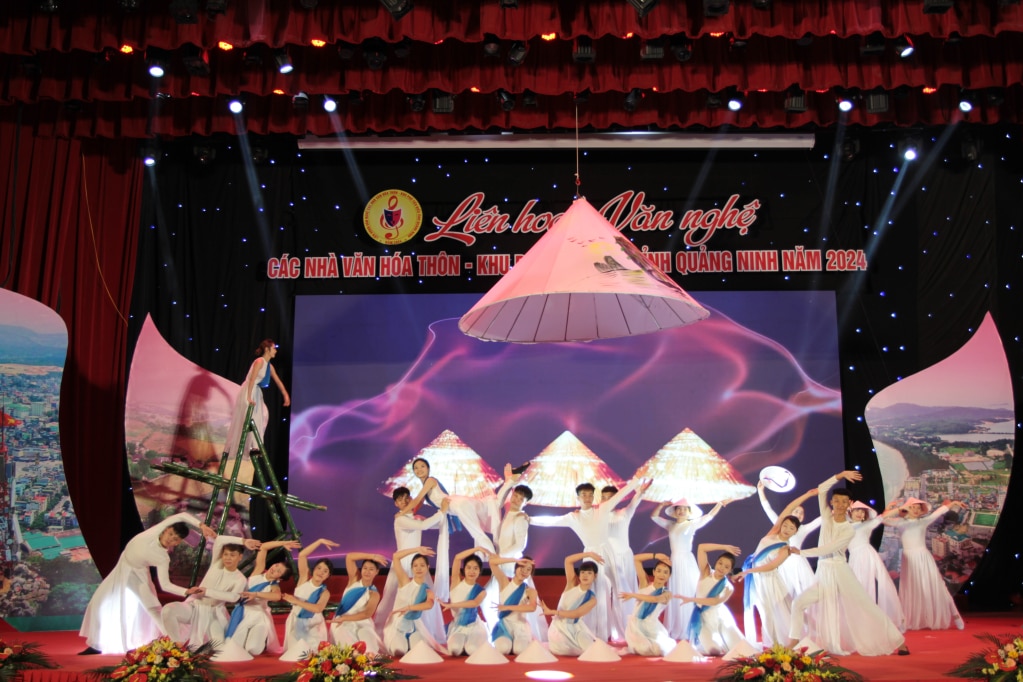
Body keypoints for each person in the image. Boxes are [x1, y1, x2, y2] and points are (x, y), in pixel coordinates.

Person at [786, 472, 908, 656]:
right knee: (798, 603)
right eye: (837, 501)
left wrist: (801, 552)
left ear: (849, 504)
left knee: (865, 604)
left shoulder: (848, 529)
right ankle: (792, 643)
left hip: (840, 570)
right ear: (832, 502)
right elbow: (822, 489)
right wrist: (839, 475)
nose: (841, 504)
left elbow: (830, 547)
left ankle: (898, 641)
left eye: (844, 502)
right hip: (823, 570)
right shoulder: (826, 517)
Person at [79, 513, 214, 655]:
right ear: (166, 530)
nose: (170, 539)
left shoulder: (163, 558)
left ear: (177, 543)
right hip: (122, 568)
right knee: (98, 603)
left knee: (154, 610)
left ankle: (177, 643)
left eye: (175, 539)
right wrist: (201, 525)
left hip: (139, 575)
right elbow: (180, 516)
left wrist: (186, 592)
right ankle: (96, 644)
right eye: (170, 534)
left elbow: (165, 585)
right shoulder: (155, 531)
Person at [531, 479, 639, 641]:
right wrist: (529, 519)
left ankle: (628, 630)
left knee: (620, 588)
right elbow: (551, 521)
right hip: (590, 554)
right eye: (583, 495)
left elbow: (620, 496)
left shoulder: (601, 510)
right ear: (578, 498)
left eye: (590, 495)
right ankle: (597, 634)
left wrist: (636, 481)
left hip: (606, 552)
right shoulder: (573, 517)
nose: (587, 498)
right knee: (596, 592)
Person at [650, 496, 732, 639]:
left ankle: (691, 625)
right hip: (675, 561)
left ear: (689, 512)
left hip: (687, 561)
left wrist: (719, 504)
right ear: (674, 512)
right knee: (676, 592)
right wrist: (662, 504)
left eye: (684, 509)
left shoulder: (692, 524)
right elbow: (654, 516)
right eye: (679, 509)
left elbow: (709, 516)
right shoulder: (671, 525)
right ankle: (678, 626)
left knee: (690, 590)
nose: (681, 511)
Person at [375, 486, 446, 643]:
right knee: (392, 597)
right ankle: (383, 632)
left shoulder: (416, 518)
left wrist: (444, 512)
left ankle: (427, 633)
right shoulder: (400, 519)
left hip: (418, 564)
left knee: (424, 597)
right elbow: (423, 526)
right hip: (402, 561)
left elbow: (432, 524)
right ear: (396, 504)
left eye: (407, 497)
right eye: (400, 499)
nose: (404, 501)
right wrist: (441, 512)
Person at [883, 497, 966, 631]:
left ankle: (956, 617)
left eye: (918, 508)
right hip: (909, 559)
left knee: (938, 586)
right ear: (907, 509)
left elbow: (938, 512)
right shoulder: (900, 522)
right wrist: (894, 509)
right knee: (910, 587)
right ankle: (906, 621)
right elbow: (883, 520)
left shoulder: (923, 521)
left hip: (923, 557)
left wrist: (954, 503)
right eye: (913, 507)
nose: (916, 510)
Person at [162, 534, 262, 645]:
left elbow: (234, 597)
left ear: (240, 557)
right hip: (194, 606)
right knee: (168, 610)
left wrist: (208, 591)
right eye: (226, 554)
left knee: (218, 647)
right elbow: (219, 539)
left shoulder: (240, 579)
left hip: (213, 613)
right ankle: (176, 644)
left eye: (232, 555)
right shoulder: (217, 564)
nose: (228, 558)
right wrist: (243, 541)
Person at [396, 457, 497, 554]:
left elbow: (417, 500)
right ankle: (493, 558)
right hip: (454, 506)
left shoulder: (430, 481)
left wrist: (401, 514)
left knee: (477, 534)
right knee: (477, 534)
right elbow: (419, 503)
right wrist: (409, 515)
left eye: (422, 466)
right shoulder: (425, 487)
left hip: (457, 505)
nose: (419, 469)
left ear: (428, 468)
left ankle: (494, 558)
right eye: (416, 468)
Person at [227, 539, 299, 656]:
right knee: (235, 646)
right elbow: (264, 547)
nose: (274, 569)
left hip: (259, 617)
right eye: (276, 566)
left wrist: (256, 594)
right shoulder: (258, 571)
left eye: (278, 571)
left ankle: (261, 640)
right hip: (243, 613)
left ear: (279, 578)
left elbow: (276, 596)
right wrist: (282, 544)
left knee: (253, 649)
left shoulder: (274, 586)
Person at [739, 513, 800, 647]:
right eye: (785, 525)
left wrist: (748, 571)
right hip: (757, 579)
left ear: (795, 532)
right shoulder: (771, 535)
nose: (786, 529)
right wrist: (807, 494)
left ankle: (783, 643)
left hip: (769, 580)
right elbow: (786, 510)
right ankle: (773, 643)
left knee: (778, 612)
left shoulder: (785, 548)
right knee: (765, 612)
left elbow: (771, 566)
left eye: (791, 528)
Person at [222, 339, 290, 459]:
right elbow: (252, 379)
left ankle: (255, 447)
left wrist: (285, 394)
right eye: (274, 348)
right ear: (267, 349)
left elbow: (278, 381)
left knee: (262, 416)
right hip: (249, 389)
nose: (275, 350)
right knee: (251, 417)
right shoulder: (259, 361)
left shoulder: (269, 366)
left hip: (257, 392)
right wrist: (248, 396)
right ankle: (244, 447)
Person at [678, 543, 746, 657]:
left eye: (726, 566)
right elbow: (701, 548)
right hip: (702, 619)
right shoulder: (706, 573)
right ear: (716, 562)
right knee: (714, 650)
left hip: (719, 618)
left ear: (730, 570)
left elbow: (715, 601)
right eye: (720, 563)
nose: (721, 567)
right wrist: (724, 547)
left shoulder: (728, 587)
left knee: (740, 648)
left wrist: (691, 599)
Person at [847, 501, 905, 631]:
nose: (859, 513)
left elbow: (882, 517)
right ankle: (860, 620)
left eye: (862, 512)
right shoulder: (844, 526)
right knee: (857, 589)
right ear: (850, 513)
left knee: (876, 585)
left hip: (867, 556)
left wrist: (899, 508)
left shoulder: (867, 525)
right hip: (854, 559)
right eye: (856, 510)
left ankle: (893, 619)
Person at [757, 482, 821, 600]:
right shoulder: (781, 524)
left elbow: (820, 520)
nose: (798, 514)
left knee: (806, 591)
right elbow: (768, 509)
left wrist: (835, 512)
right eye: (796, 511)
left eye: (801, 513)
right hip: (783, 562)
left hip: (798, 562)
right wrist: (761, 491)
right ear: (790, 513)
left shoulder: (803, 529)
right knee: (786, 594)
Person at [382, 546, 446, 657]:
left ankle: (410, 642)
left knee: (419, 652)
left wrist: (409, 607)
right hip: (397, 626)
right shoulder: (405, 581)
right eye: (415, 566)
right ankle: (401, 642)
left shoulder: (427, 590)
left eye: (422, 565)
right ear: (412, 568)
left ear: (427, 567)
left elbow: (429, 604)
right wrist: (417, 549)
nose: (419, 568)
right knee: (399, 651)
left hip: (413, 627)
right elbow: (396, 557)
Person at [602, 480, 650, 625]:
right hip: (607, 557)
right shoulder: (598, 515)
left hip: (624, 556)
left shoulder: (624, 512)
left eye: (611, 497)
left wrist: (641, 491)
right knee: (605, 592)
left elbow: (635, 501)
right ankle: (607, 627)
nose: (607, 500)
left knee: (625, 591)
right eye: (604, 497)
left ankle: (628, 625)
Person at [280, 538, 336, 660]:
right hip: (296, 622)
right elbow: (302, 555)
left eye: (325, 571)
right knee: (294, 657)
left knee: (311, 658)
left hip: (313, 626)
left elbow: (318, 608)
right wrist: (320, 541)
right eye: (319, 568)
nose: (321, 572)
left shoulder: (324, 592)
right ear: (313, 569)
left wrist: (297, 601)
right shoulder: (304, 579)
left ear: (328, 576)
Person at [543, 552, 602, 656]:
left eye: (589, 573)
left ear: (595, 576)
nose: (585, 575)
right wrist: (589, 554)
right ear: (579, 575)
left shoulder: (592, 599)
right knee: (564, 650)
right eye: (583, 572)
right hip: (559, 628)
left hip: (576, 628)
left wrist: (553, 612)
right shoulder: (572, 583)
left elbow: (575, 614)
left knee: (591, 650)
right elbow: (568, 561)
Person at [330, 551, 389, 653]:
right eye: (365, 568)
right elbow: (349, 557)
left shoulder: (374, 593)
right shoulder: (354, 579)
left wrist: (347, 618)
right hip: (342, 621)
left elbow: (367, 614)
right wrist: (372, 555)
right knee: (349, 649)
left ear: (377, 572)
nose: (367, 572)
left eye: (371, 569)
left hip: (362, 622)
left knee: (369, 648)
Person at [439, 547, 492, 656]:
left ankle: (471, 642)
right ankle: (462, 642)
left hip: (474, 626)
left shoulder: (481, 591)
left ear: (479, 571)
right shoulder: (456, 582)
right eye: (469, 567)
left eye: (475, 568)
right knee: (454, 650)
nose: (472, 571)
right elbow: (457, 558)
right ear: (464, 569)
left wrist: (452, 605)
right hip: (458, 626)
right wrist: (477, 548)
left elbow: (473, 603)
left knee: (471, 650)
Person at [621, 552, 676, 656]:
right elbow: (636, 559)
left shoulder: (667, 593)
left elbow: (654, 599)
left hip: (652, 627)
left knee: (659, 650)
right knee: (646, 649)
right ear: (654, 572)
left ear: (669, 575)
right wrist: (655, 556)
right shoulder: (644, 583)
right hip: (636, 627)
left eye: (665, 572)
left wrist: (633, 595)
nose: (661, 574)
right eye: (659, 571)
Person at [488, 555, 538, 656]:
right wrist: (515, 559)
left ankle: (521, 642)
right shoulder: (504, 582)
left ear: (530, 574)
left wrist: (508, 607)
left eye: (528, 569)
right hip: (504, 626)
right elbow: (492, 563)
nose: (524, 571)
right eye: (522, 567)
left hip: (521, 627)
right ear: (516, 568)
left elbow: (532, 607)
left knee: (519, 650)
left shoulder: (530, 591)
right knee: (503, 649)